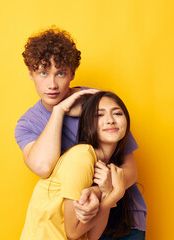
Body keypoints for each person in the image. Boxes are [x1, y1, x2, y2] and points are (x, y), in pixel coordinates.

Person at [15, 26, 146, 239]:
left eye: (60, 73)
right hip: (78, 223)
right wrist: (60, 111)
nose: (52, 84)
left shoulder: (100, 104)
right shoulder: (28, 124)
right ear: (31, 74)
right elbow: (43, 167)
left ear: (72, 73)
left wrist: (100, 192)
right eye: (43, 73)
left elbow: (130, 169)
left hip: (122, 217)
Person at [20, 91, 135, 239]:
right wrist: (115, 195)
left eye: (118, 114)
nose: (110, 120)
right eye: (99, 115)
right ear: (87, 126)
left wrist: (107, 194)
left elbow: (92, 236)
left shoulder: (104, 168)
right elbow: (73, 232)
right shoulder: (82, 156)